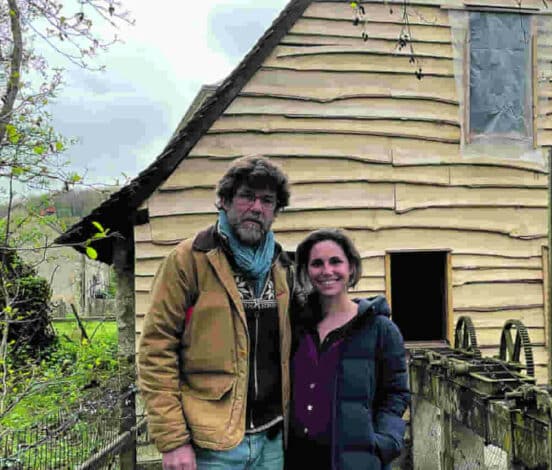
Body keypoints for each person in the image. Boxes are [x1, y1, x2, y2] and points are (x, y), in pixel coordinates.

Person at [138, 155, 302, 470]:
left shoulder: (282, 266)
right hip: (212, 445)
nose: (257, 207)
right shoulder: (189, 260)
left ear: (276, 211)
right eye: (246, 196)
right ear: (224, 201)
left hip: (272, 441)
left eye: (267, 201)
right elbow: (156, 351)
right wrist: (173, 440)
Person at [287, 229, 409, 470]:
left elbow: (396, 394)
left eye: (335, 262)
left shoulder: (380, 330)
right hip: (298, 461)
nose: (327, 271)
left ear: (351, 267)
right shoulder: (295, 327)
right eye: (317, 264)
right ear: (306, 271)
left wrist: (383, 442)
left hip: (356, 461)